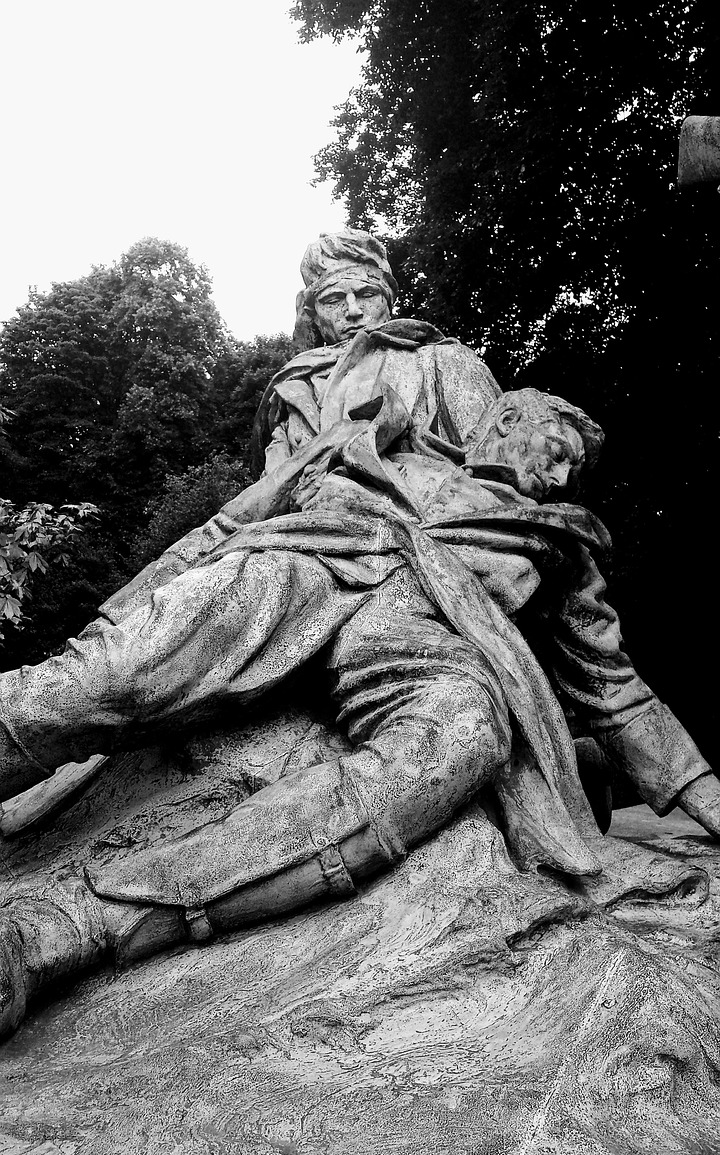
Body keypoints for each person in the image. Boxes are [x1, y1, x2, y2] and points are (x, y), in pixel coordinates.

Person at [1, 230, 718, 1041]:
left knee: (463, 735)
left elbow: (614, 685)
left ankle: (59, 932)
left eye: (364, 294)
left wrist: (704, 796)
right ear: (504, 421)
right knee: (112, 677)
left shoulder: (555, 537)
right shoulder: (359, 449)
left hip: (431, 633)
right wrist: (148, 591)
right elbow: (253, 506)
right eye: (550, 450)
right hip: (309, 561)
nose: (555, 475)